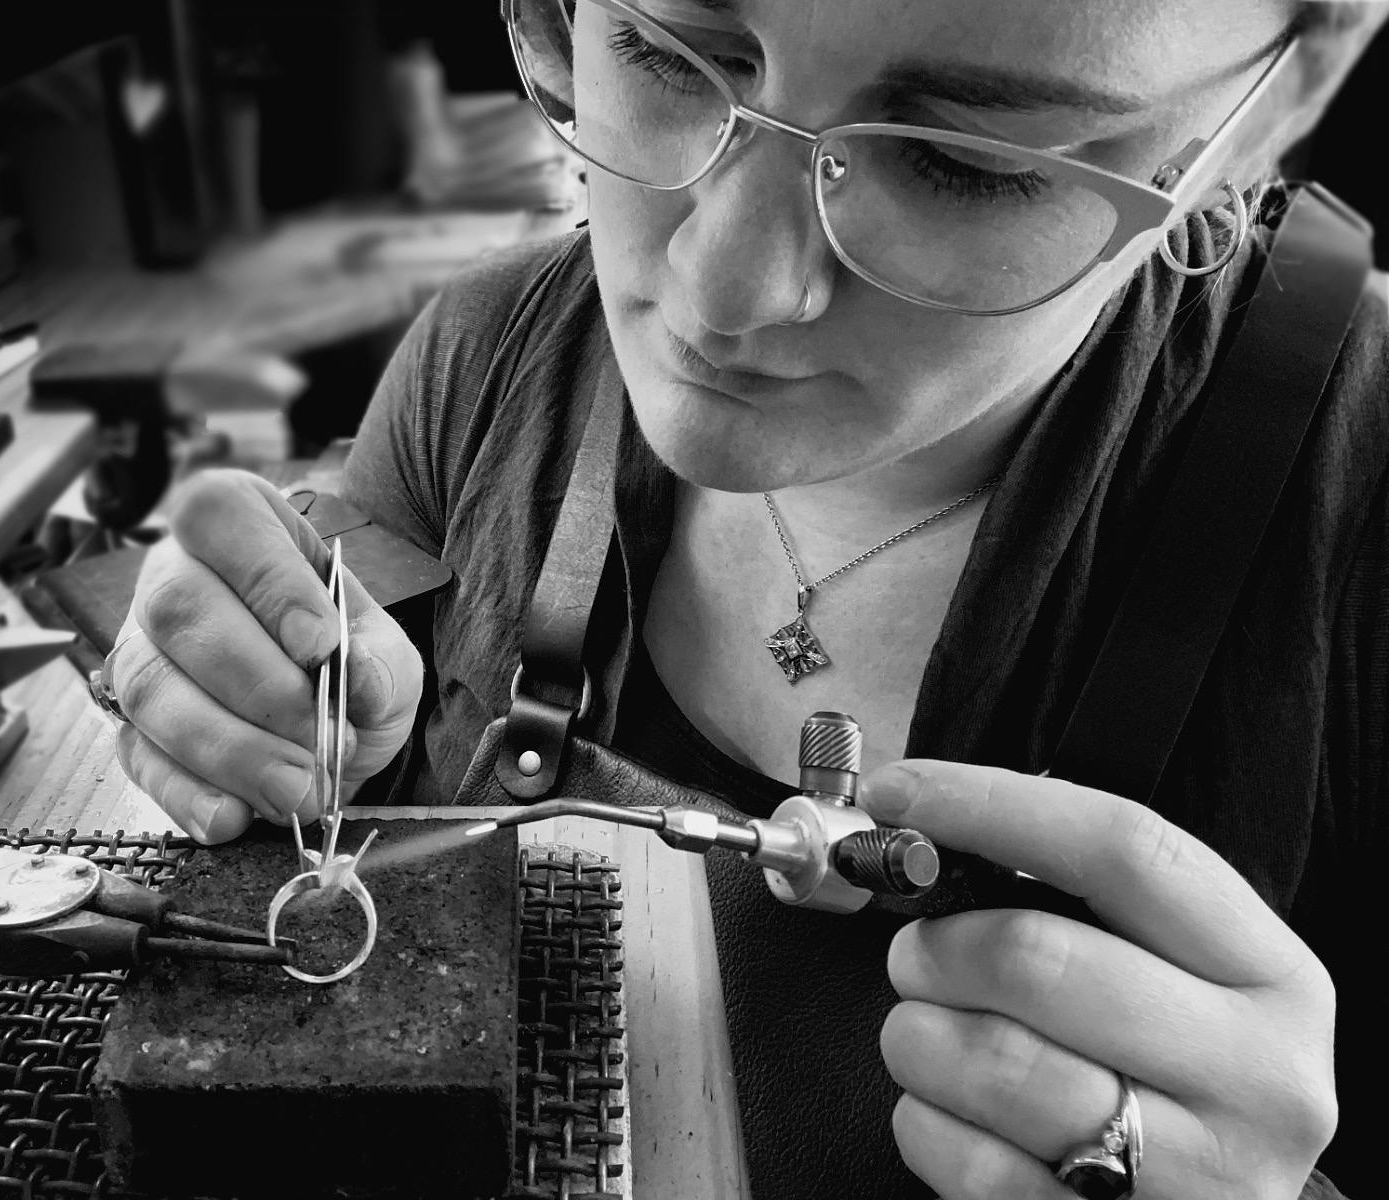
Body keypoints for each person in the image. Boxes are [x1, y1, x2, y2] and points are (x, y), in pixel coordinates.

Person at [103, 1, 1389, 1197]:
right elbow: (330, 587)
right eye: (669, 57)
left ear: (1276, 106)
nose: (720, 295)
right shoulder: (490, 352)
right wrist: (248, 666)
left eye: (966, 161)